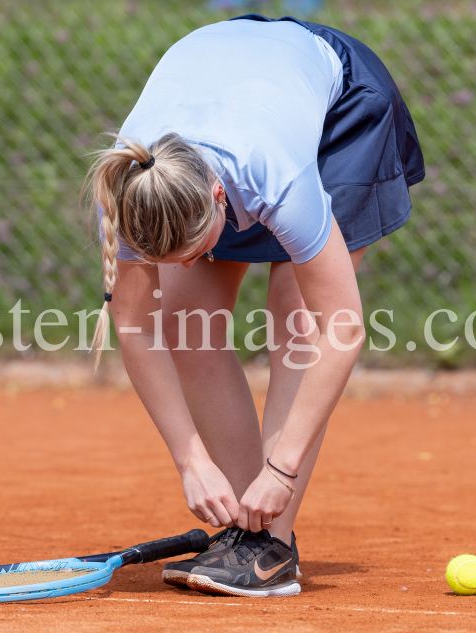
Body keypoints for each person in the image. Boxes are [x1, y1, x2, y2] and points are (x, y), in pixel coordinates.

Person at [84, 14, 424, 597]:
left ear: (220, 196)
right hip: (232, 85)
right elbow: (137, 330)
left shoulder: (277, 178)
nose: (184, 267)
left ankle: (272, 545)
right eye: (171, 258)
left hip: (340, 107)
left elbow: (339, 330)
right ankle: (251, 536)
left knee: (295, 319)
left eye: (193, 251)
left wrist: (281, 472)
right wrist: (190, 461)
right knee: (190, 327)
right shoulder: (135, 192)